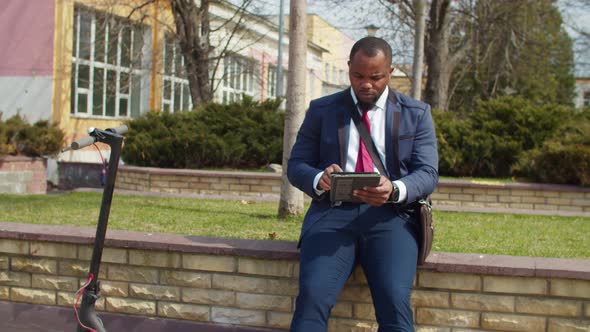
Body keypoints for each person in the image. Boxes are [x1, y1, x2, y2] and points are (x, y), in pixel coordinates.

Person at [287, 36, 438, 332]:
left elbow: (428, 173)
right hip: (332, 215)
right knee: (312, 296)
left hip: (392, 217)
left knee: (394, 301)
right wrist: (320, 178)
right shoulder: (322, 110)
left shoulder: (416, 114)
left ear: (390, 72)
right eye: (358, 76)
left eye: (375, 77)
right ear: (348, 69)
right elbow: (296, 165)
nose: (366, 84)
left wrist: (394, 189)